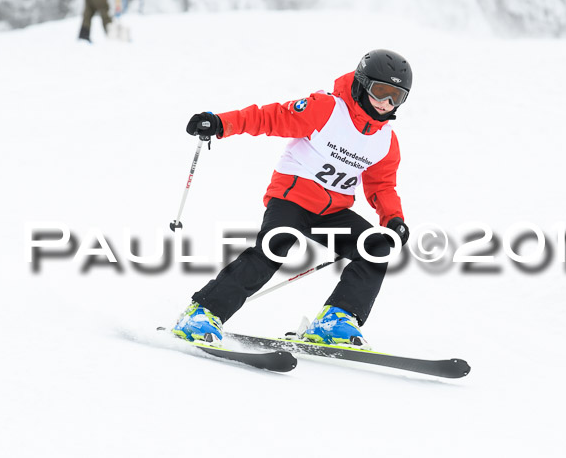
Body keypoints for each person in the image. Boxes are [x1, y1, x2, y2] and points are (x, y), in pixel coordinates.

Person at [172, 49, 413, 348]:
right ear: (362, 84)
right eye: (380, 92)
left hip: (332, 211)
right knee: (275, 246)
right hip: (293, 197)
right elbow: (270, 118)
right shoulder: (326, 109)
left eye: (396, 97)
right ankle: (202, 313)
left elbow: (382, 186)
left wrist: (394, 219)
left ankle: (336, 320)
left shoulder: (385, 142)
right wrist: (221, 123)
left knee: (376, 246)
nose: (386, 103)